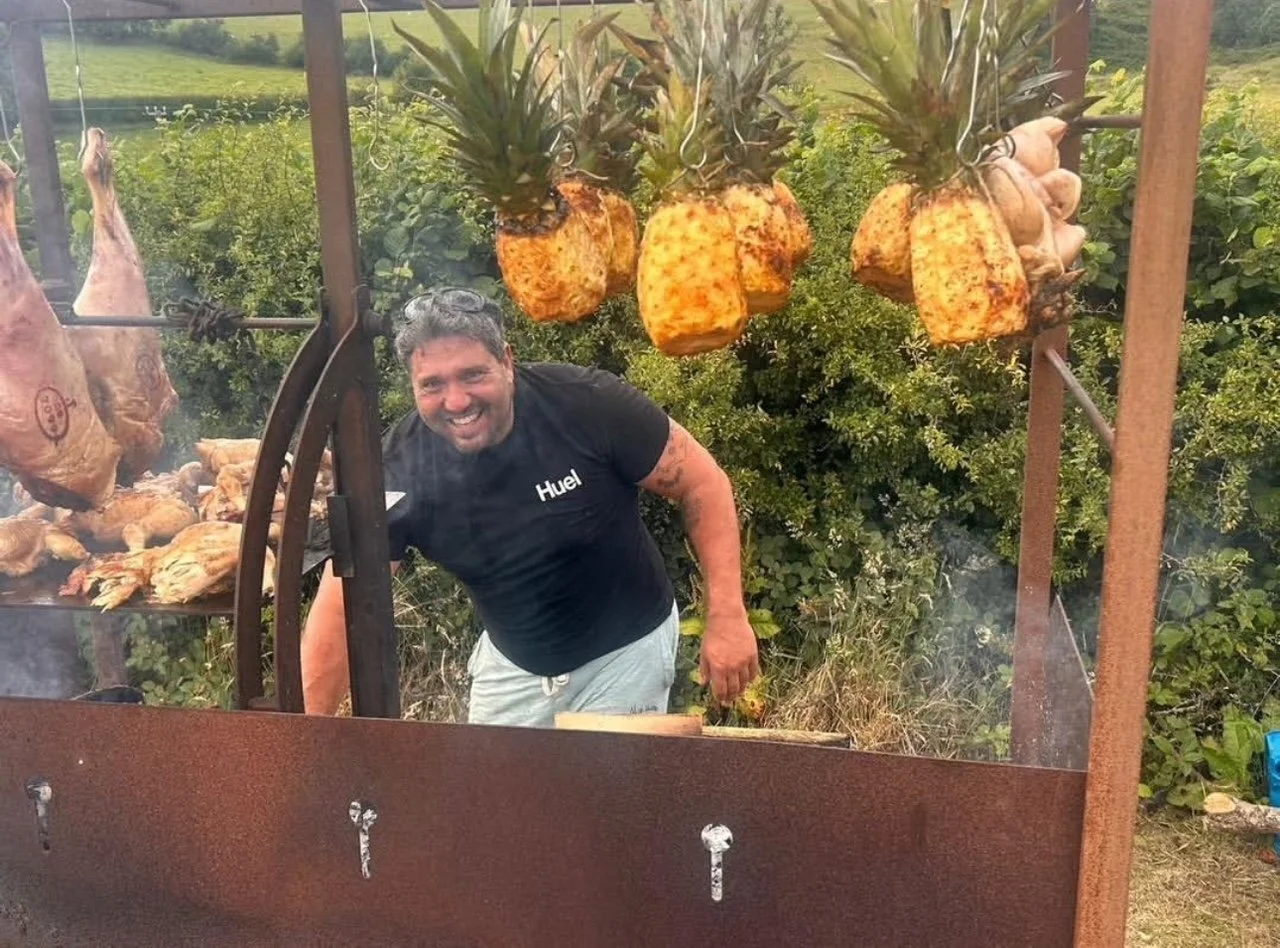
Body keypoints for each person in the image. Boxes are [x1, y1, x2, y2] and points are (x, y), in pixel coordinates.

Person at [301, 287, 760, 726]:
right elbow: (346, 599)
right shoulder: (398, 465)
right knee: (499, 802)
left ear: (507, 361)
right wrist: (304, 741)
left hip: (624, 654)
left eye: (473, 374)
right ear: (412, 385)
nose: (456, 401)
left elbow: (703, 483)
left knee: (603, 803)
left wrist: (727, 616)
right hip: (514, 665)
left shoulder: (587, 405)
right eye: (433, 384)